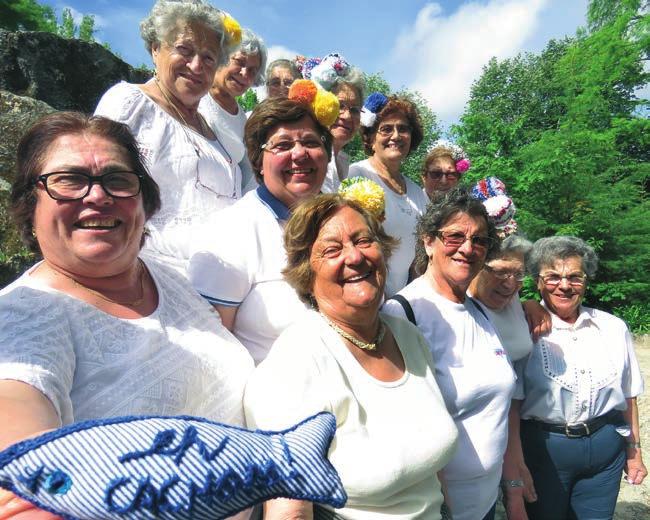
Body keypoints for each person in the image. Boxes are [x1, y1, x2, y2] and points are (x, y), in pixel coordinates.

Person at [0, 112, 254, 518]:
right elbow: (16, 430)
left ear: (144, 201)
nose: (97, 196)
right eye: (69, 180)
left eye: (118, 180)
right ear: (30, 205)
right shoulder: (22, 319)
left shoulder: (170, 281)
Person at [244, 194, 459, 519]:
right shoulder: (296, 363)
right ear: (306, 270)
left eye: (364, 240)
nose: (355, 257)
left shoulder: (407, 337)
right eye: (332, 250)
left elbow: (431, 469)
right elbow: (289, 511)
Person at [383, 187, 515, 520]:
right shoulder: (404, 313)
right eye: (455, 237)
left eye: (480, 241)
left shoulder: (478, 312)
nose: (468, 248)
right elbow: (400, 424)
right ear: (429, 241)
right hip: (438, 507)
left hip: (484, 501)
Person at [95, 0, 242, 273]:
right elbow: (98, 188)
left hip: (223, 274)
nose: (197, 65)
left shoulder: (216, 132)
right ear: (155, 49)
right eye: (184, 50)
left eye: (209, 57)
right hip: (149, 271)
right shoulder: (130, 103)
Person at [188, 97, 332, 364]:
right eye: (283, 145)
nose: (300, 154)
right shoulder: (229, 231)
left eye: (311, 142)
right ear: (258, 161)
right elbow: (210, 350)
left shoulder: (341, 221)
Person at [514, 236, 646, 519]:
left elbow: (628, 394)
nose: (564, 285)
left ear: (586, 282)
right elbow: (512, 403)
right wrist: (515, 464)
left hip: (605, 452)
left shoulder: (612, 327)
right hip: (544, 453)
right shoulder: (521, 327)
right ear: (537, 281)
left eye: (575, 276)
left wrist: (634, 451)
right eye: (553, 277)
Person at [348, 93, 430, 297]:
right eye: (386, 129)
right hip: (364, 295)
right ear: (371, 138)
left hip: (401, 303)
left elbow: (419, 257)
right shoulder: (356, 176)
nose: (396, 136)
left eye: (403, 129)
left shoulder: (417, 193)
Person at [199, 27, 267, 193]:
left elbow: (248, 176)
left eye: (252, 70)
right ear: (221, 58)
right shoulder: (195, 99)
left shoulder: (245, 121)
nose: (244, 73)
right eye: (239, 62)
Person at [302, 53, 365, 193]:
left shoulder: (342, 161)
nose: (347, 116)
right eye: (339, 105)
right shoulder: (306, 154)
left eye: (355, 110)